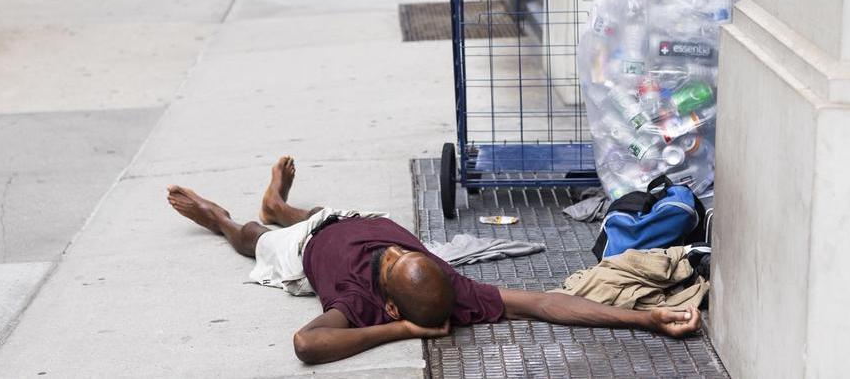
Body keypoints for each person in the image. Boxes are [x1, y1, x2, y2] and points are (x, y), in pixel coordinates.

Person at [167, 157, 703, 365]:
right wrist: (646, 315)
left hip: (306, 248)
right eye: (406, 256)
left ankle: (221, 215)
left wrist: (400, 330)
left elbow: (307, 344)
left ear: (392, 300)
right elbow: (543, 301)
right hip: (353, 217)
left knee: (250, 236)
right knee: (314, 212)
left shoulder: (358, 306)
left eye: (395, 262)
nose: (398, 253)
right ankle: (283, 204)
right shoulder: (445, 282)